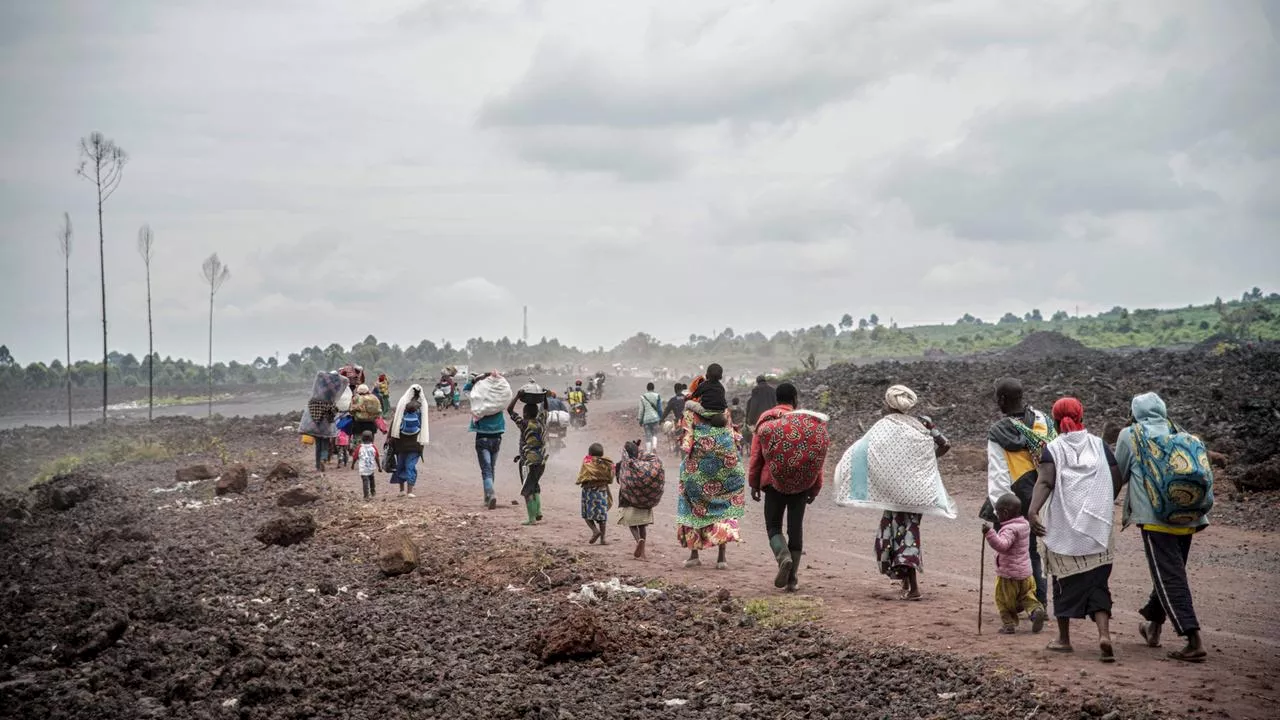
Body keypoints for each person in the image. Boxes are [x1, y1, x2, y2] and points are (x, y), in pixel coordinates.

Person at [833, 385, 953, 601]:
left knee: (901, 536)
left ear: (889, 404)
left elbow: (863, 450)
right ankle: (907, 583)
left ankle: (914, 588)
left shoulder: (884, 426)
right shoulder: (923, 423)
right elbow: (945, 444)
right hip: (916, 492)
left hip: (894, 493)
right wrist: (926, 461)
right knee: (906, 532)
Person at [1115, 392, 1211, 663]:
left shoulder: (1129, 435)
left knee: (1170, 577)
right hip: (1189, 516)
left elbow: (1119, 476)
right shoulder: (1180, 433)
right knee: (1170, 571)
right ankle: (1152, 628)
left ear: (1135, 413)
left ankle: (1193, 639)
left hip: (1156, 519)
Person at [1028, 397, 1123, 663]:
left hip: (1065, 529)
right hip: (1097, 527)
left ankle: (1064, 639)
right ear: (1082, 416)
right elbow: (1116, 477)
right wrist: (1101, 503)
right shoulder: (1099, 445)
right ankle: (1104, 635)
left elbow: (1045, 482)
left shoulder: (1053, 449)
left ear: (1056, 420)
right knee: (1098, 583)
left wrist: (1033, 510)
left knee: (1062, 581)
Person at [749, 382, 829, 592]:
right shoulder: (805, 422)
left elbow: (756, 455)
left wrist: (754, 483)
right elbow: (815, 458)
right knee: (796, 528)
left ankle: (782, 556)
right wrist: (815, 486)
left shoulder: (766, 418)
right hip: (801, 484)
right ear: (794, 399)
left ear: (777, 399)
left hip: (772, 482)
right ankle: (792, 579)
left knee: (773, 526)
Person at [985, 378, 1055, 609]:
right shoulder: (1043, 421)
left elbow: (998, 475)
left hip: (1013, 500)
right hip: (1043, 494)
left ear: (1002, 399)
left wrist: (1001, 512)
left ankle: (1018, 602)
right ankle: (1039, 602)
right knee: (1034, 552)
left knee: (1011, 554)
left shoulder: (998, 432)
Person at [676, 376, 746, 569]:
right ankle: (721, 558)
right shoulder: (724, 412)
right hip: (724, 468)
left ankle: (694, 554)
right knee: (723, 507)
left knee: (693, 507)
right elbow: (734, 438)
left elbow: (686, 442)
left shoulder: (690, 413)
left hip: (696, 470)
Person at [983, 493, 1047, 634]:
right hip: (1026, 574)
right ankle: (1036, 612)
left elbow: (1002, 545)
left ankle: (1009, 624)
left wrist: (990, 533)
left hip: (1008, 575)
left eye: (998, 513)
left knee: (1003, 600)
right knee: (1027, 597)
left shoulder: (1009, 529)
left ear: (1005, 513)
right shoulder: (1024, 524)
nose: (997, 516)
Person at [465, 372, 508, 510]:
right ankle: (487, 496)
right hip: (497, 437)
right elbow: (507, 392)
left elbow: (466, 390)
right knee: (491, 468)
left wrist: (475, 379)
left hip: (482, 437)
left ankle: (490, 494)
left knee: (486, 469)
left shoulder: (479, 399)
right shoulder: (498, 398)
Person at [616, 439, 665, 560]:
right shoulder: (647, 463)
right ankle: (643, 552)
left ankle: (638, 541)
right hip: (644, 501)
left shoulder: (622, 464)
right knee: (642, 525)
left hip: (628, 498)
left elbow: (619, 480)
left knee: (632, 523)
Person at [508, 401, 547, 526]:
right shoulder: (541, 421)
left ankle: (532, 519)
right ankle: (538, 511)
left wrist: (518, 396)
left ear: (524, 413)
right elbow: (545, 409)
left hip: (528, 462)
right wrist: (544, 398)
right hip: (541, 461)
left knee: (527, 489)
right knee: (535, 485)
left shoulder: (524, 424)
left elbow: (510, 410)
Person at [300, 371, 345, 472]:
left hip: (316, 425)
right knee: (325, 443)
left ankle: (317, 465)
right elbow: (345, 380)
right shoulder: (332, 398)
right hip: (326, 426)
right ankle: (323, 459)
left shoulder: (315, 400)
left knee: (318, 445)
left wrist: (326, 375)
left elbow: (319, 373)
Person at [389, 385, 429, 497]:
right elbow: (424, 428)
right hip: (415, 445)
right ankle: (410, 491)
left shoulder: (402, 407)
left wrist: (390, 439)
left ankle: (401, 490)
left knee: (400, 465)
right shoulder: (422, 409)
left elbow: (394, 425)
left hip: (400, 445)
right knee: (410, 466)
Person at [577, 443, 614, 544]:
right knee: (602, 517)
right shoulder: (607, 463)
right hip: (602, 491)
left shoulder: (587, 461)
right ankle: (603, 539)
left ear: (590, 453)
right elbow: (610, 478)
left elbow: (582, 476)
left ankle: (595, 531)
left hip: (589, 491)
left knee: (586, 515)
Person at [743, 375, 777, 452]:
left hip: (759, 418)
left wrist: (750, 420)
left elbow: (754, 405)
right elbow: (775, 403)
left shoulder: (756, 389)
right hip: (771, 417)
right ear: (765, 380)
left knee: (760, 437)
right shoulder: (772, 390)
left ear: (757, 382)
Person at [637, 383, 664, 454]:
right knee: (655, 434)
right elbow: (659, 409)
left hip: (646, 420)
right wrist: (661, 418)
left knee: (648, 435)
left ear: (647, 388)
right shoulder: (657, 396)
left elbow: (641, 410)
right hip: (655, 418)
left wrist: (640, 420)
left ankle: (648, 451)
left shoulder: (642, 397)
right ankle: (654, 447)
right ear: (653, 388)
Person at [356, 430, 380, 501]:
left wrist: (353, 464)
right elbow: (377, 457)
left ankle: (366, 495)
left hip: (363, 468)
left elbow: (355, 456)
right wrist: (379, 467)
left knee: (365, 481)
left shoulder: (360, 447)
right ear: (372, 438)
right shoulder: (373, 447)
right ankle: (373, 491)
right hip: (371, 467)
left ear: (362, 438)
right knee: (372, 479)